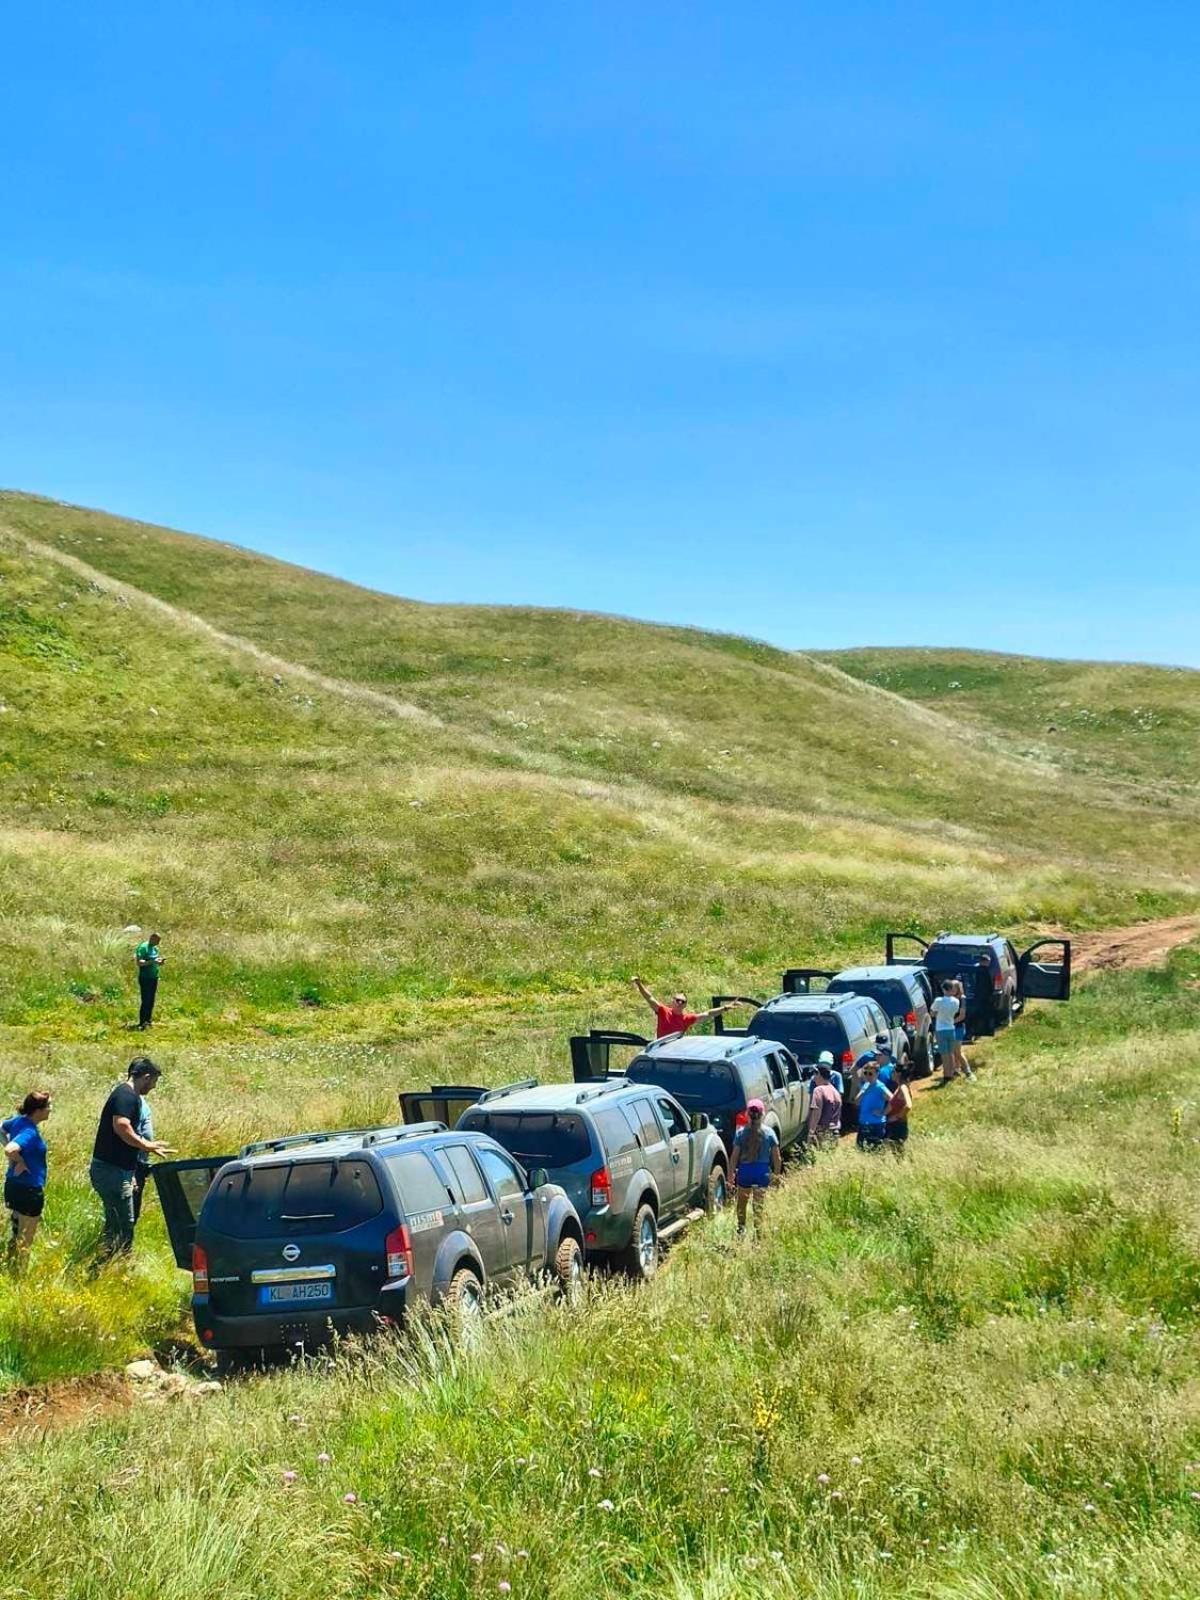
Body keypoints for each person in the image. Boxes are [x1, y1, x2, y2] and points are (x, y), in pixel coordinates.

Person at [89, 1058, 171, 1260]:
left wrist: (131, 1173)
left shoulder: (126, 1095)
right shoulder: (127, 1096)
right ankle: (113, 1264)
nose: (153, 1087)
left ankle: (109, 1262)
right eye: (154, 1082)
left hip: (118, 1170)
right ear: (146, 1077)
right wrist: (146, 1145)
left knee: (117, 1220)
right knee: (124, 1223)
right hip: (111, 1171)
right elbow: (121, 1126)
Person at [3, 1090, 52, 1268]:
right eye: (48, 1106)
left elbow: (1, 1128)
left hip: (13, 1186)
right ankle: (20, 1275)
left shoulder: (18, 1120)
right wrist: (20, 1160)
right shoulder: (30, 1132)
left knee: (16, 1232)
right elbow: (10, 1149)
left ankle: (9, 1264)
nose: (50, 1110)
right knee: (26, 1240)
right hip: (29, 1190)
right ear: (38, 1111)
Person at [729, 1099, 781, 1237]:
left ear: (747, 1114)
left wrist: (730, 1175)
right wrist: (776, 1175)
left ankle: (741, 1230)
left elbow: (734, 1157)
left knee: (742, 1203)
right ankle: (758, 1234)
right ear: (762, 1114)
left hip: (745, 1171)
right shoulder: (769, 1133)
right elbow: (777, 1158)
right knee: (758, 1205)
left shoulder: (741, 1133)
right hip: (761, 1172)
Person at [631, 978, 742, 1039]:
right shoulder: (663, 1011)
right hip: (661, 1048)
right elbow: (649, 997)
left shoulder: (687, 1018)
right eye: (677, 1000)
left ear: (685, 1005)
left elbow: (707, 1014)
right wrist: (639, 984)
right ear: (672, 1001)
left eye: (682, 1001)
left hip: (676, 1048)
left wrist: (726, 1007)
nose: (679, 1003)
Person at [854, 1057, 889, 1151]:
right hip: (863, 1123)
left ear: (877, 1074)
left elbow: (893, 1100)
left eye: (870, 1074)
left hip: (876, 1124)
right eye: (866, 1073)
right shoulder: (865, 1085)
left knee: (876, 1150)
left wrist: (883, 1112)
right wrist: (864, 1091)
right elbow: (857, 1101)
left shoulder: (880, 1086)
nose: (868, 1076)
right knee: (861, 1150)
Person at [930, 981, 962, 1082]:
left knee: (944, 1054)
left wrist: (937, 1013)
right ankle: (952, 1072)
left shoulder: (939, 1000)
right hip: (951, 1028)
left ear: (944, 989)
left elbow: (932, 1013)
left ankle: (946, 1075)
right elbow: (955, 1012)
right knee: (951, 1052)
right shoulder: (956, 1001)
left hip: (941, 1029)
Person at [806, 1062, 843, 1144]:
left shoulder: (818, 1090)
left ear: (818, 1074)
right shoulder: (835, 1091)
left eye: (814, 1074)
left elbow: (816, 1112)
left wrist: (811, 1132)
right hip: (835, 1131)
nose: (813, 1078)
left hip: (822, 1132)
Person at [135, 932, 164, 1029]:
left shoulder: (155, 948)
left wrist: (159, 962)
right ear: (152, 938)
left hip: (153, 977)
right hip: (145, 977)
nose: (158, 943)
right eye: (157, 941)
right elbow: (139, 962)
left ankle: (148, 1020)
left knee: (151, 1000)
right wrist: (152, 962)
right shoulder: (143, 947)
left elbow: (155, 960)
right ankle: (142, 1022)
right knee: (146, 999)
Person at [948, 977, 975, 1078]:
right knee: (953, 1050)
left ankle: (968, 1072)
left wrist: (952, 1022)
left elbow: (962, 1015)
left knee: (958, 1052)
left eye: (953, 988)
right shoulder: (950, 999)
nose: (951, 990)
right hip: (951, 1027)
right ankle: (956, 1069)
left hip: (958, 1027)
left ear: (958, 988)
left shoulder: (962, 999)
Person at [885, 1074, 913, 1152]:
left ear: (898, 1074)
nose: (891, 1073)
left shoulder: (903, 1087)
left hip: (898, 1125)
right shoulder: (900, 1087)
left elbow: (909, 1105)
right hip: (894, 1125)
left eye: (893, 1071)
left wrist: (897, 1117)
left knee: (899, 1154)